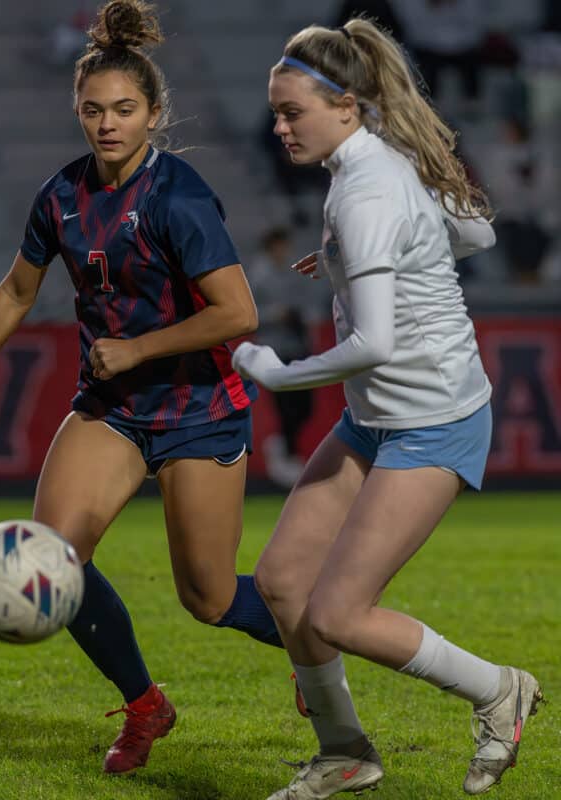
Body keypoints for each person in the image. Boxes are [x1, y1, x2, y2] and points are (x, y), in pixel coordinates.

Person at [0, 0, 286, 777]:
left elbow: (239, 312)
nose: (107, 124)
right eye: (93, 111)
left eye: (124, 109)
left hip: (197, 411)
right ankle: (144, 704)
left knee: (211, 600)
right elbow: (18, 291)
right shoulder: (60, 196)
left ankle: (317, 640)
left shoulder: (179, 197)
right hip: (113, 411)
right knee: (56, 560)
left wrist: (140, 349)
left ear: (155, 113)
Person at [233, 18, 543, 799]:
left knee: (338, 612)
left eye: (291, 112)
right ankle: (345, 751)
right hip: (377, 416)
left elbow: (371, 343)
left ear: (345, 107)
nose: (278, 127)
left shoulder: (366, 190)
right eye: (276, 111)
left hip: (431, 418)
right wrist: (353, 260)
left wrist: (276, 372)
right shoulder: (373, 163)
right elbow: (472, 231)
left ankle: (499, 690)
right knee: (281, 583)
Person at [246, 226, 322, 488]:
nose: (283, 251)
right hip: (274, 349)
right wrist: (275, 314)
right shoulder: (258, 274)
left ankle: (283, 447)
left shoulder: (294, 271)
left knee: (305, 407)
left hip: (298, 346)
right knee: (286, 407)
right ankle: (287, 455)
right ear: (271, 246)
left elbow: (308, 304)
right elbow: (249, 314)